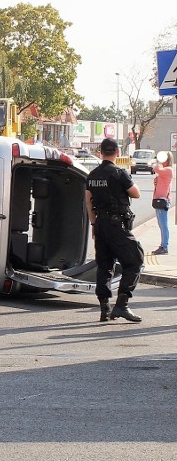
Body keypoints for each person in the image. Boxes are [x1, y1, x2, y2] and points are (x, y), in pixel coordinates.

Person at [85, 138, 144, 323]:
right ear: (117, 152)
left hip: (101, 224)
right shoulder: (119, 173)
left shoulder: (92, 175)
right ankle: (122, 305)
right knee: (135, 260)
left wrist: (94, 225)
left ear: (100, 152)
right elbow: (136, 193)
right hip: (117, 225)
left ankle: (104, 307)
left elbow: (88, 202)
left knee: (104, 265)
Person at [151, 151, 173, 255]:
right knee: (161, 224)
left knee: (163, 225)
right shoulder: (164, 171)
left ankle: (164, 246)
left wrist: (157, 161)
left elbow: (156, 168)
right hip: (159, 200)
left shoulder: (168, 170)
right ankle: (163, 245)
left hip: (162, 201)